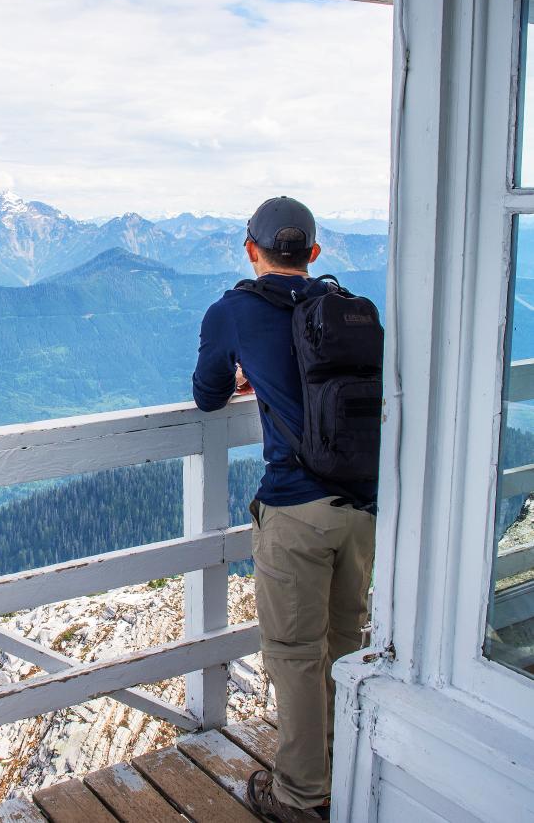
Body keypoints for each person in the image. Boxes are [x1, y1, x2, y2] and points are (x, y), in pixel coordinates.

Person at [191, 196, 377, 823]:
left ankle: (301, 798)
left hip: (296, 508)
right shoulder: (345, 307)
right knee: (345, 642)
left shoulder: (233, 311)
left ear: (252, 249)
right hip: (363, 504)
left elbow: (208, 396)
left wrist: (250, 374)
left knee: (295, 654)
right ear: (314, 255)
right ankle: (345, 767)